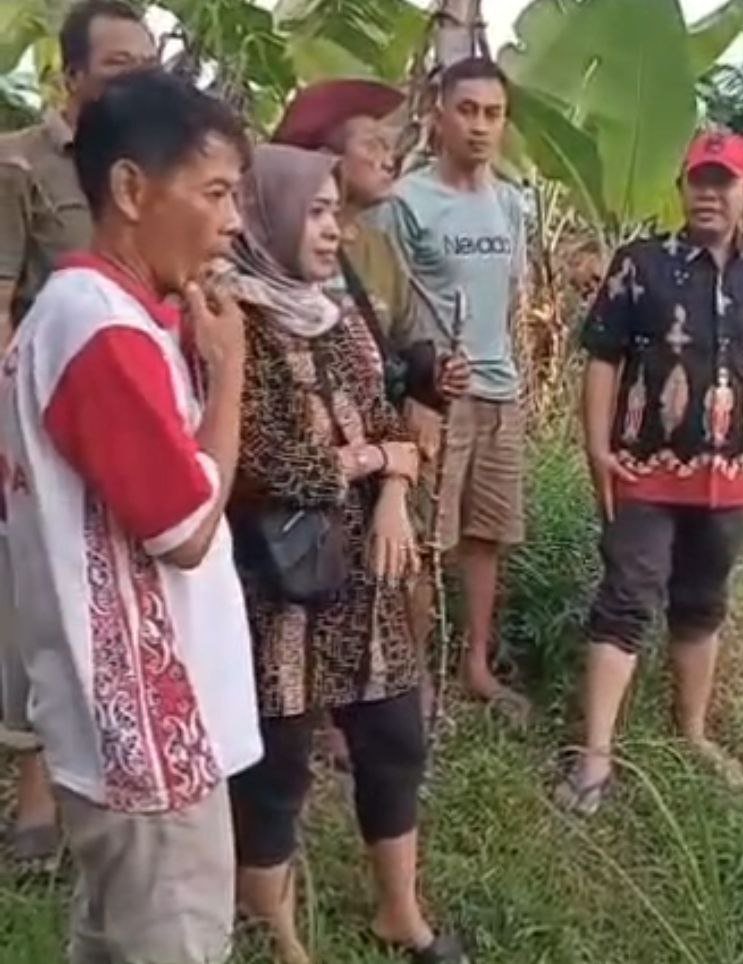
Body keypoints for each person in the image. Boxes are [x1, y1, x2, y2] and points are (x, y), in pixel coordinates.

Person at [0, 69, 261, 962]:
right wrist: (228, 375)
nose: (235, 220)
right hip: (152, 742)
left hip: (127, 739)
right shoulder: (98, 327)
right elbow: (186, 529)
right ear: (129, 189)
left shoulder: (102, 318)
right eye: (217, 191)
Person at [223, 143, 465, 964]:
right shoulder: (232, 318)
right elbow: (266, 464)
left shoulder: (336, 312)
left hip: (363, 572)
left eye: (334, 212)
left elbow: (392, 419)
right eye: (316, 213)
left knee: (395, 738)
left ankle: (401, 913)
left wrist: (394, 485)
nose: (332, 231)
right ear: (272, 215)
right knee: (279, 764)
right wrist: (376, 462)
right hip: (277, 581)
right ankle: (277, 933)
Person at [556, 130, 743, 816]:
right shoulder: (641, 264)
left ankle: (692, 732)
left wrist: (742, 430)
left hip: (728, 482)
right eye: (698, 178)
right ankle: (596, 756)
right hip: (642, 471)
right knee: (627, 599)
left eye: (723, 181)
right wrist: (596, 448)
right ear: (681, 188)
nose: (708, 192)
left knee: (703, 604)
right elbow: (603, 358)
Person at [0, 0, 155, 865]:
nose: (139, 76)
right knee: (37, 609)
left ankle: (111, 780)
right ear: (73, 77)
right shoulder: (19, 164)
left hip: (131, 423)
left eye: (147, 61)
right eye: (120, 64)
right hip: (44, 430)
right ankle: (34, 797)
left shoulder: (139, 168)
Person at [272, 78, 471, 714]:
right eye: (372, 144)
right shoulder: (274, 251)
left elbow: (407, 346)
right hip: (307, 461)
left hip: (378, 450)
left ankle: (394, 695)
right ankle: (321, 711)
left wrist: (434, 377)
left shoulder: (381, 250)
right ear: (326, 161)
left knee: (395, 572)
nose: (389, 156)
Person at [378, 57, 529, 717]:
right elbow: (386, 307)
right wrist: (423, 380)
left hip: (502, 391)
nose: (480, 126)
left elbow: (513, 297)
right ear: (438, 113)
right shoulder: (407, 202)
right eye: (467, 110)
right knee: (426, 539)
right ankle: (416, 675)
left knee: (486, 535)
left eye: (493, 114)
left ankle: (474, 665)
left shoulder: (512, 202)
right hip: (437, 398)